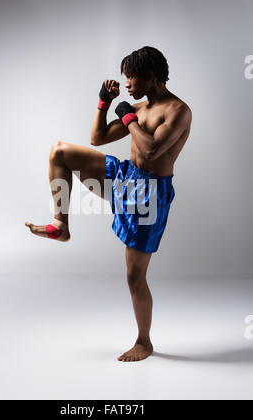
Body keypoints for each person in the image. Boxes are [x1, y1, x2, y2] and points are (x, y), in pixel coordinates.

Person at [25, 46, 192, 362]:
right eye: (125, 77)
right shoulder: (139, 108)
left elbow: (153, 149)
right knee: (59, 151)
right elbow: (97, 138)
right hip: (125, 176)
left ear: (150, 76)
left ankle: (144, 341)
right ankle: (60, 224)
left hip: (150, 194)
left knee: (133, 277)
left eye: (131, 77)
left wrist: (128, 115)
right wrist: (105, 103)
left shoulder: (178, 111)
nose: (126, 83)